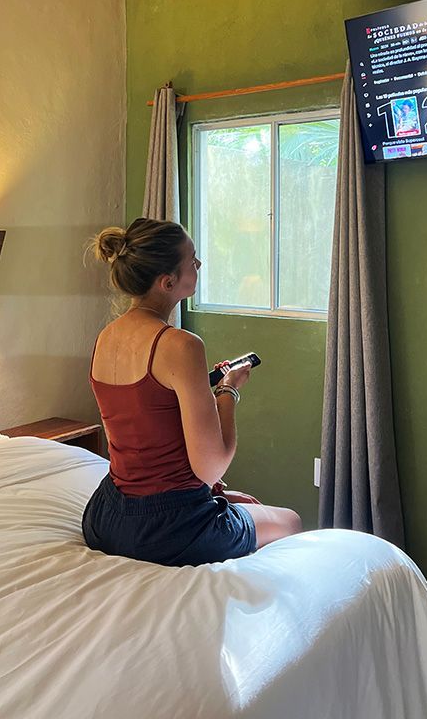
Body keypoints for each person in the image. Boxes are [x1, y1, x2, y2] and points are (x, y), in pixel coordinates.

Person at [82, 217, 302, 566]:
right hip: (167, 527)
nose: (199, 264)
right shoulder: (182, 345)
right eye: (192, 260)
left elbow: (146, 425)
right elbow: (211, 468)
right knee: (290, 521)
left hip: (106, 517)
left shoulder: (105, 337)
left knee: (244, 504)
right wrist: (228, 391)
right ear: (168, 282)